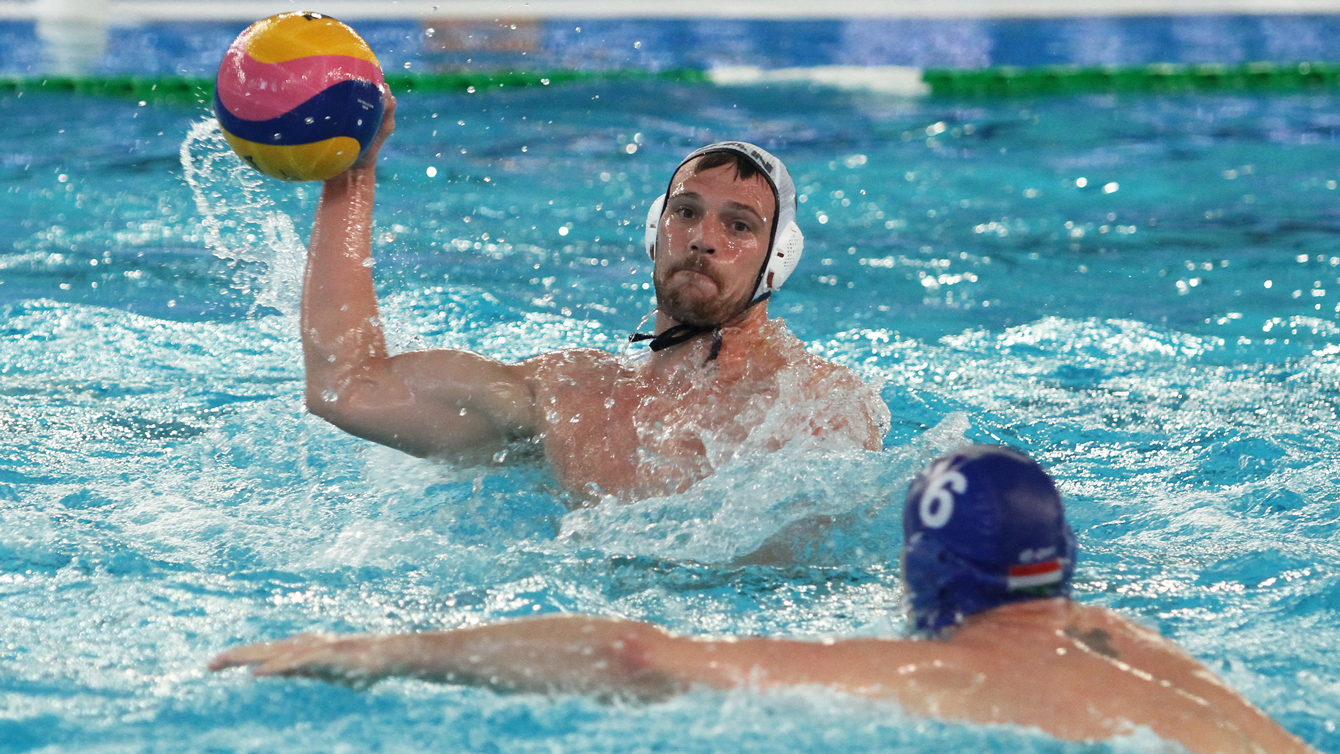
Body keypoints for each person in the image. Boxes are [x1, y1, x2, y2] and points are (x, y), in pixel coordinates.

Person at [210, 446, 1314, 754]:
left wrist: (375, 647)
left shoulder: (930, 676)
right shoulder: (1165, 678)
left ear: (924, 570)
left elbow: (637, 657)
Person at [300, 92, 887, 501]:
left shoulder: (820, 407)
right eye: (686, 213)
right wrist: (350, 178)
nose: (704, 239)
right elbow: (346, 389)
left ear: (777, 259)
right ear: (655, 233)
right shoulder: (573, 396)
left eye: (740, 226)